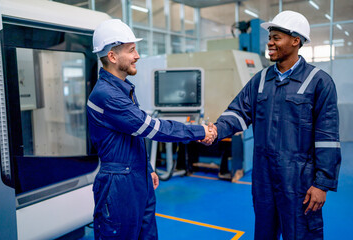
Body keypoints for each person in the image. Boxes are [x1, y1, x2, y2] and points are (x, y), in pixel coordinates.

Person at [205, 11, 341, 239]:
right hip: (264, 178)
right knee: (264, 233)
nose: (269, 43)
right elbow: (237, 113)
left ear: (296, 40)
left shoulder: (319, 82)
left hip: (299, 182)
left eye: (276, 38)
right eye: (270, 37)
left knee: (300, 233)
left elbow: (327, 137)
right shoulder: (260, 80)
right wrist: (217, 130)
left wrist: (322, 184)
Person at [87, 19, 216, 240]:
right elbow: (151, 128)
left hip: (137, 178)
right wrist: (200, 131)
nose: (137, 56)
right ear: (112, 57)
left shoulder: (123, 88)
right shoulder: (107, 95)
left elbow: (132, 135)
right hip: (118, 186)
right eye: (132, 50)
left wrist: (147, 168)